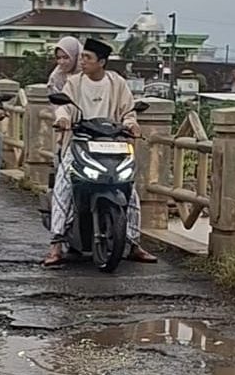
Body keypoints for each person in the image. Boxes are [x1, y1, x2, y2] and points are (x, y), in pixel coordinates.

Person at [45, 38, 157, 267]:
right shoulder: (74, 84)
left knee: (130, 190)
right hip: (80, 142)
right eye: (82, 57)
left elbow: (128, 110)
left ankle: (134, 243)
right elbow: (64, 108)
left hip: (114, 144)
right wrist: (64, 119)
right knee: (63, 187)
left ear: (102, 62)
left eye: (88, 58)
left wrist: (132, 123)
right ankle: (55, 245)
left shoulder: (117, 84)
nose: (83, 62)